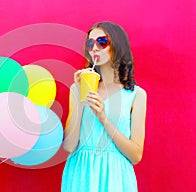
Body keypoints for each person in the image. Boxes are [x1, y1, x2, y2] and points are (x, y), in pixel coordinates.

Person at [61, 21, 147, 192]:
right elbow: (69, 146)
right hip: (81, 175)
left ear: (117, 45)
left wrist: (103, 118)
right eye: (89, 43)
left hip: (117, 177)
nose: (94, 48)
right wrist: (79, 94)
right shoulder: (77, 88)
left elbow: (136, 155)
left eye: (101, 42)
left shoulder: (137, 95)